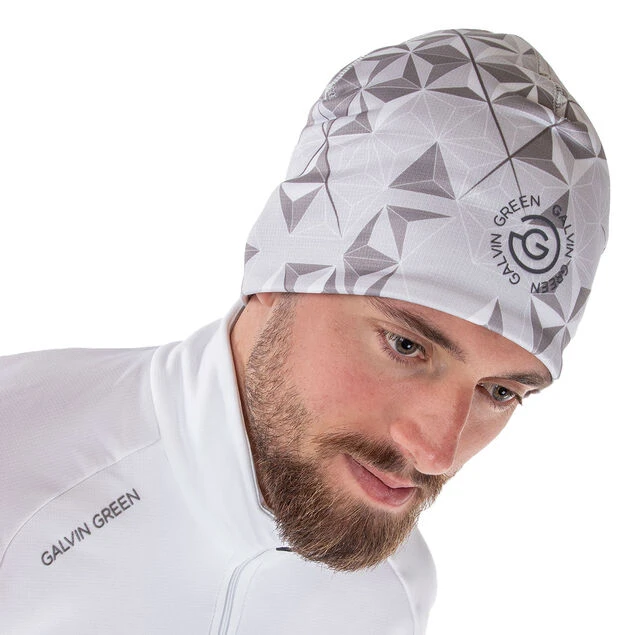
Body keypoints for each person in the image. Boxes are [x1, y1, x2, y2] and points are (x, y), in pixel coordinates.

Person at [0, 28, 609, 634]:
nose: (435, 453)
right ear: (277, 273)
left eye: (500, 392)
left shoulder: (395, 594)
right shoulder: (17, 466)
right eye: (405, 346)